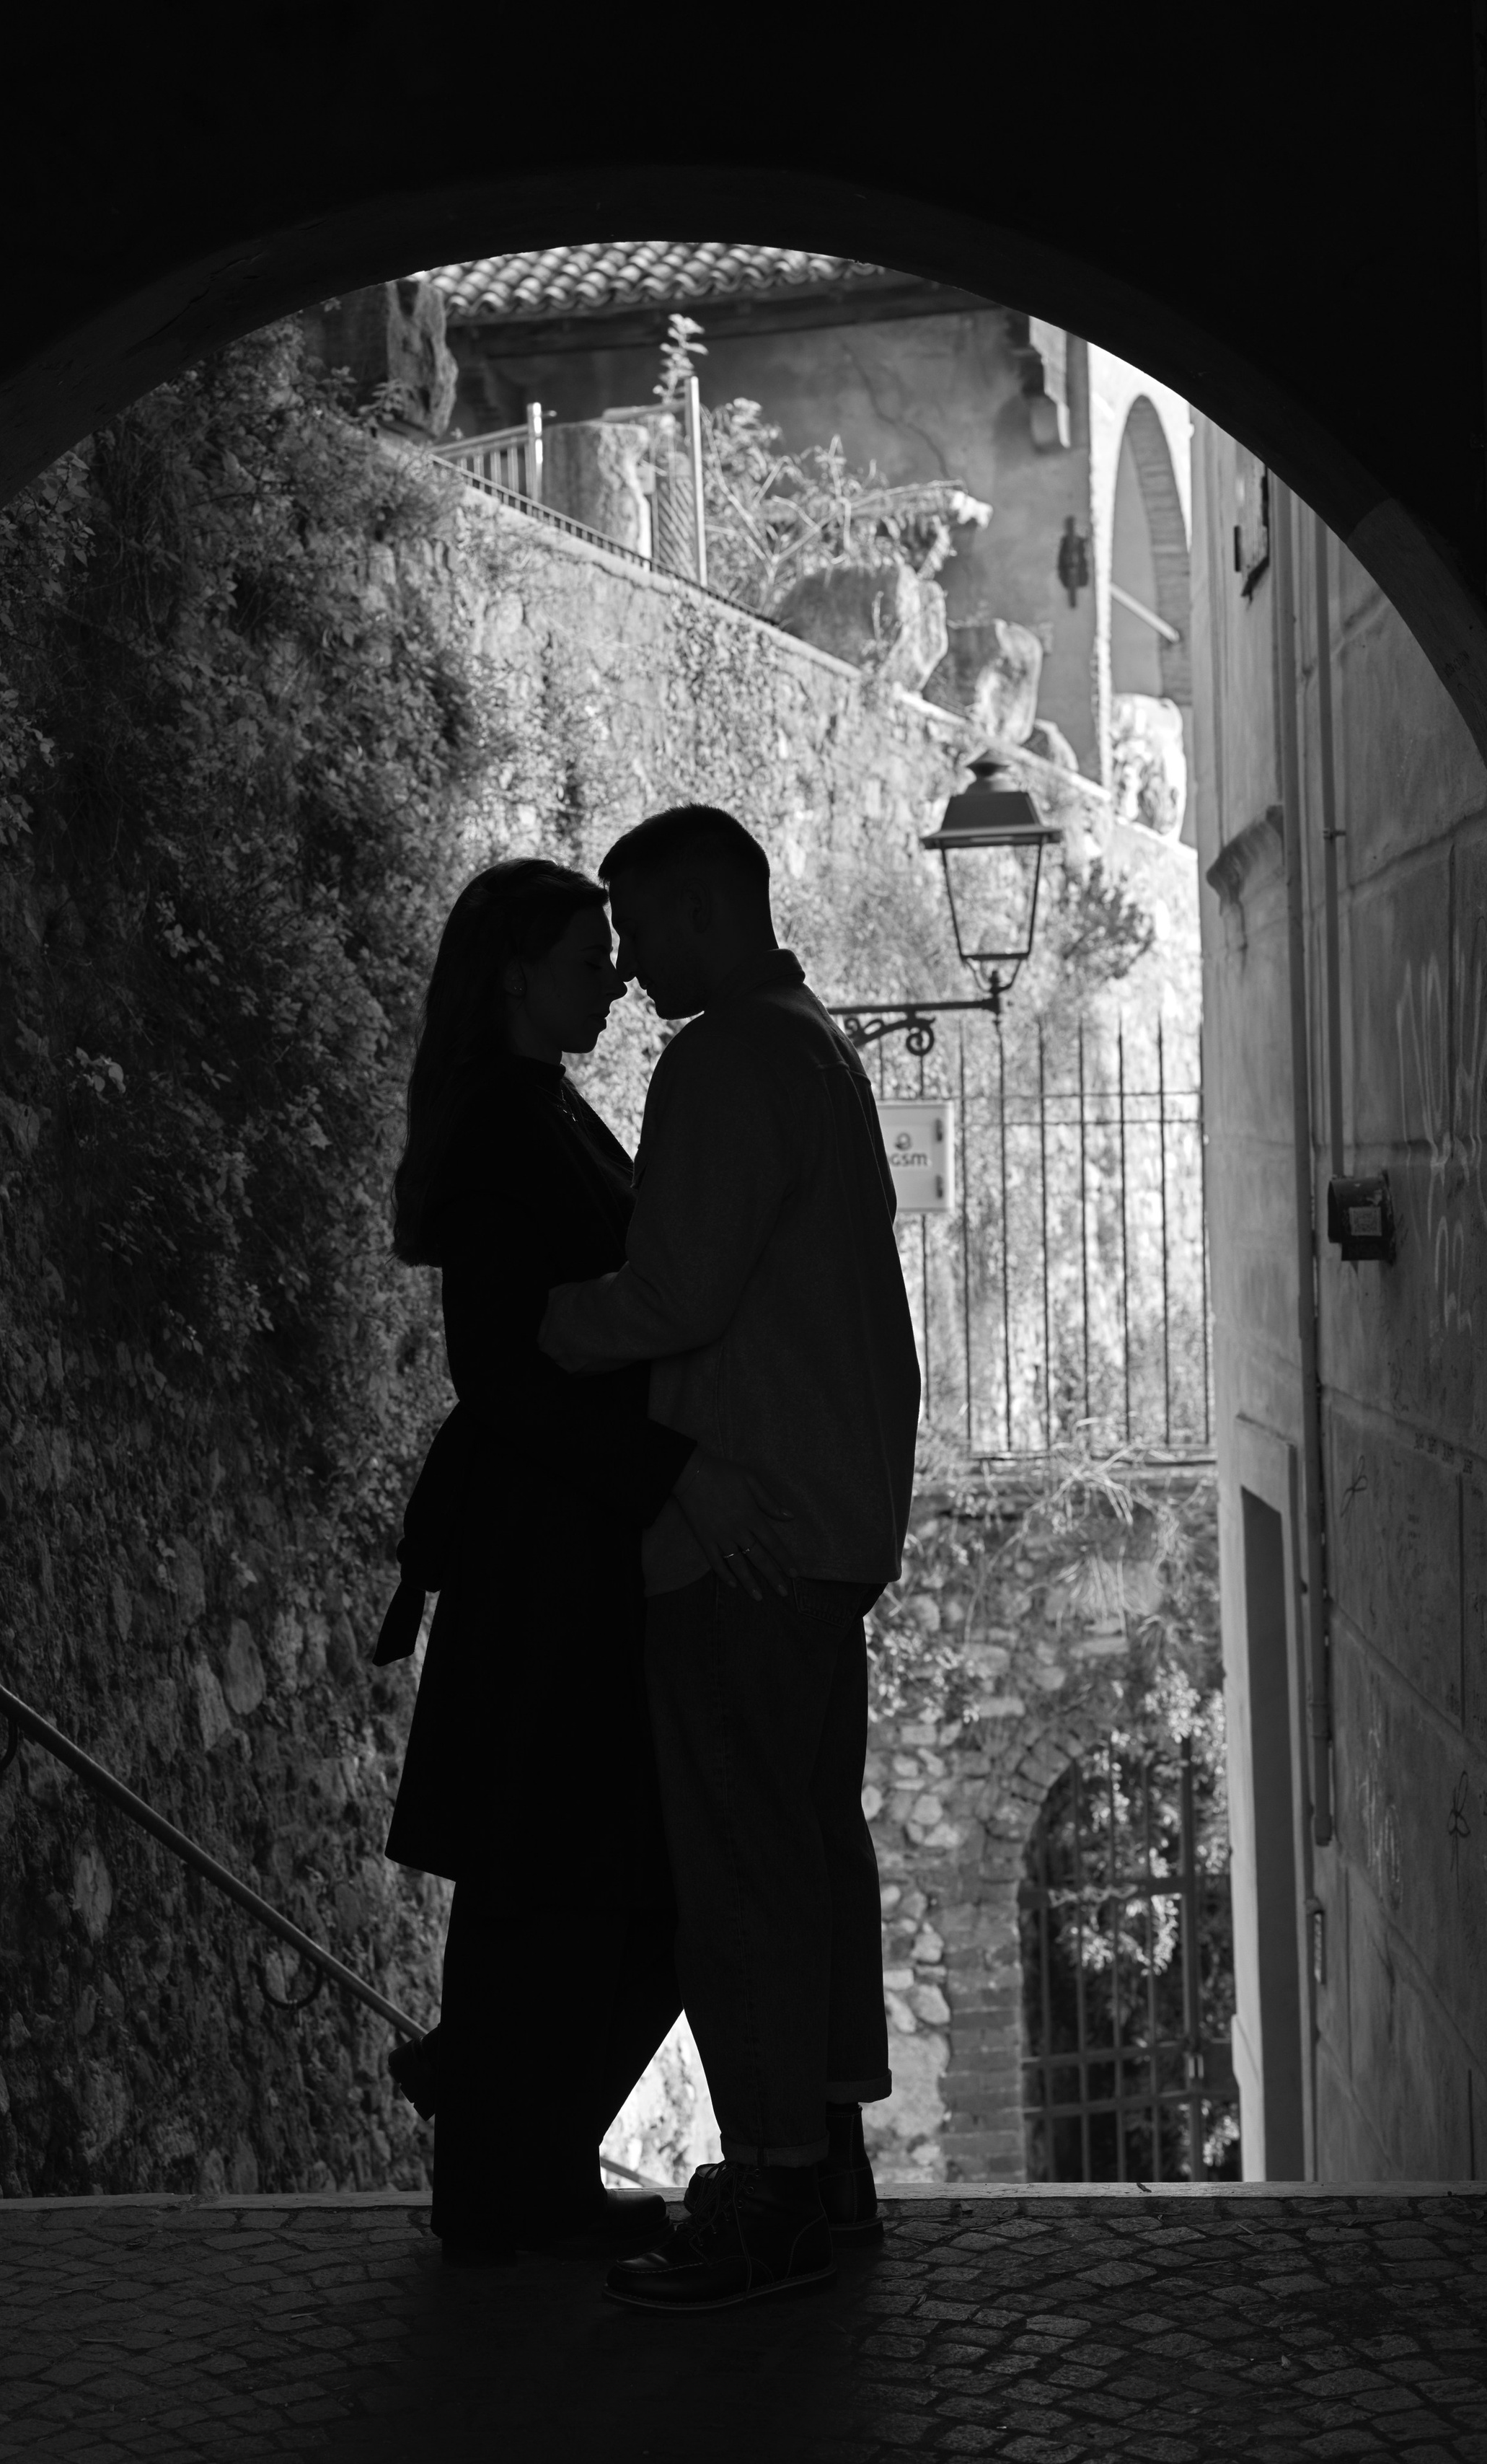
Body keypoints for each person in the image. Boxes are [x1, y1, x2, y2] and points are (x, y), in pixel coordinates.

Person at [539, 806, 921, 2313]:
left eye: (637, 932)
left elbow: (673, 1291)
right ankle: (823, 2158)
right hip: (826, 1528)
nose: (625, 970)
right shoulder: (813, 1045)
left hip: (742, 1537)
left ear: (702, 912)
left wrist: (545, 1326)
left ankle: (766, 2182)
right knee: (811, 1845)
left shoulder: (726, 1058)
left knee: (744, 1864)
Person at [377, 856, 758, 2267]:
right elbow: (503, 1371)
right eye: (588, 951)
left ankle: (500, 2130)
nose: (613, 973)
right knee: (577, 1869)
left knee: (578, 1873)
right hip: (550, 1552)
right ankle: (503, 2156)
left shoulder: (533, 1109)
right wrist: (666, 1474)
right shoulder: (500, 1131)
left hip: (570, 1536)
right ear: (515, 977)